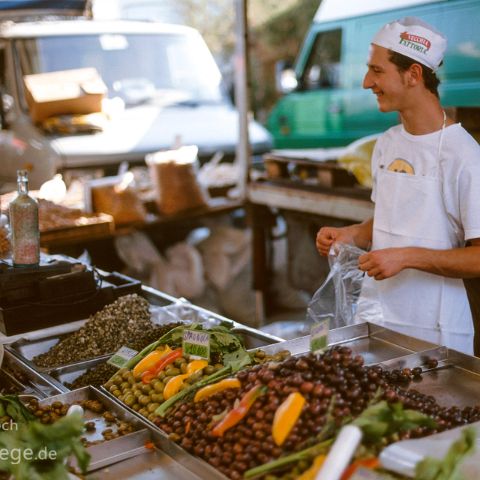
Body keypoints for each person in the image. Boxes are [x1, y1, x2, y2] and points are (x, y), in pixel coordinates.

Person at [316, 17, 480, 355]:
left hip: (436, 330)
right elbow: (390, 220)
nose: (366, 82)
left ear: (413, 75)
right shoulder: (388, 143)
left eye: (377, 71)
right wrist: (353, 234)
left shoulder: (464, 155)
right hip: (378, 317)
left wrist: (405, 257)